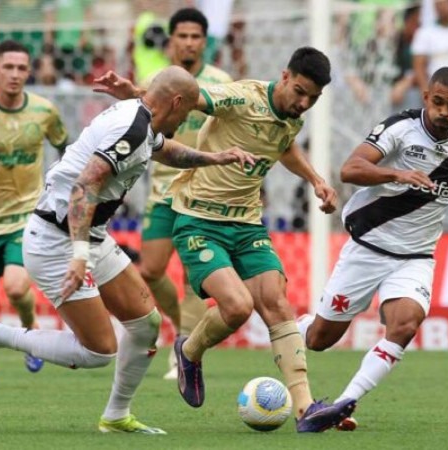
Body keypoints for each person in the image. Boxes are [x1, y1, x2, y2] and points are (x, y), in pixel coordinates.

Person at [0, 65, 256, 434]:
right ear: (177, 102)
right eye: (189, 111)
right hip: (59, 241)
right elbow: (84, 186)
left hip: (88, 235)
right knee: (98, 351)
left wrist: (213, 158)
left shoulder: (142, 120)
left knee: (145, 324)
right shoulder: (132, 127)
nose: (188, 119)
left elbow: (165, 150)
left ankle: (116, 416)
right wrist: (80, 254)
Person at [93, 46, 356, 432]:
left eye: (312, 98)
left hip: (248, 224)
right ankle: (189, 349)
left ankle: (306, 409)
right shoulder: (240, 96)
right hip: (199, 220)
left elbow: (283, 145)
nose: (303, 103)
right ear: (284, 76)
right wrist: (135, 93)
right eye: (299, 92)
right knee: (236, 307)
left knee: (277, 304)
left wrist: (316, 179)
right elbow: (183, 98)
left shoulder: (291, 117)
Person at [296, 66, 448, 430]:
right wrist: (397, 173)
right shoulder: (399, 129)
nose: (444, 112)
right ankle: (297, 327)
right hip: (369, 245)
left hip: (416, 256)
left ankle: (343, 403)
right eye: (438, 103)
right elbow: (350, 169)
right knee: (319, 340)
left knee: (404, 325)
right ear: (425, 97)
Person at [0, 40, 69, 389]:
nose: (15, 74)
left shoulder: (45, 110)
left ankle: (31, 330)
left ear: (29, 71)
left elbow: (67, 147)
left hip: (27, 217)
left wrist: (62, 188)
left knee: (18, 287)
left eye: (22, 68)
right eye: (9, 67)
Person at [138, 7, 233, 381]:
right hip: (162, 189)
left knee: (195, 275)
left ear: (204, 42)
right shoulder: (154, 81)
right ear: (172, 40)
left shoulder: (221, 82)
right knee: (151, 269)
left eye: (196, 36)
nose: (189, 42)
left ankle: (182, 349)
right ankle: (182, 324)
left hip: (204, 191)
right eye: (183, 36)